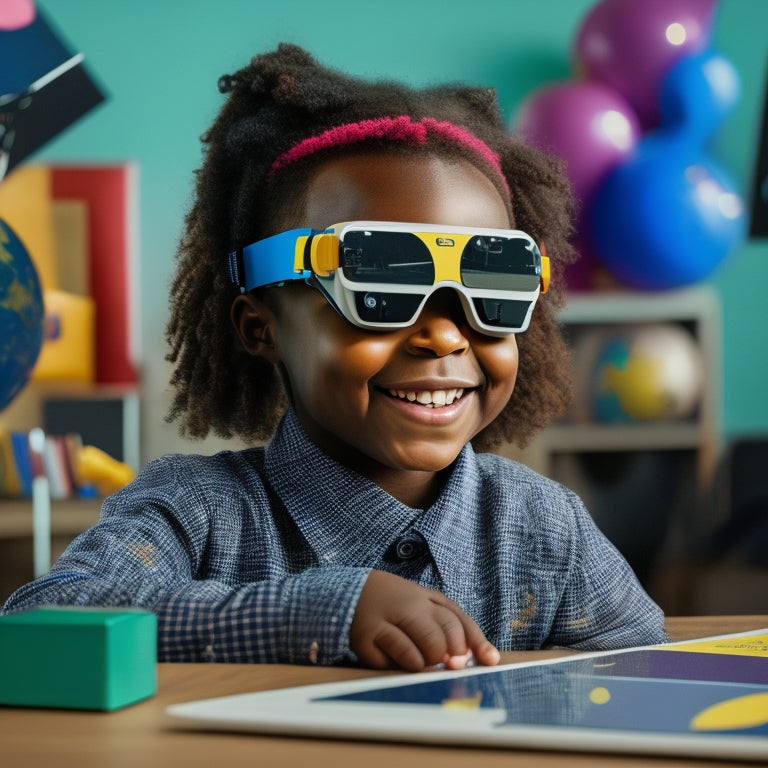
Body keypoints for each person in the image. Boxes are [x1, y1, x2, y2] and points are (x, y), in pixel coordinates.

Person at [2, 44, 668, 670]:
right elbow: (38, 624)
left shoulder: (544, 531)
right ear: (260, 325)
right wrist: (311, 614)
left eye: (492, 284)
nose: (445, 335)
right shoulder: (196, 512)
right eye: (379, 284)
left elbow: (650, 684)